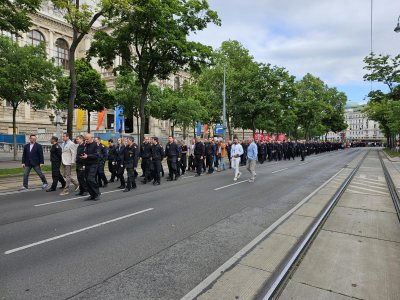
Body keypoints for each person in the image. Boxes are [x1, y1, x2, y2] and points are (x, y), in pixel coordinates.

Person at [80, 134, 100, 200]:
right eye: (85, 139)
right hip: (86, 164)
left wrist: (88, 156)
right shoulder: (85, 145)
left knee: (90, 179)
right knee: (86, 180)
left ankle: (97, 193)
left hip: (93, 164)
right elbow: (84, 153)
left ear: (92, 138)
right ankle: (92, 194)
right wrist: (82, 156)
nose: (86, 140)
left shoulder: (96, 145)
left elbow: (96, 155)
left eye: (87, 139)